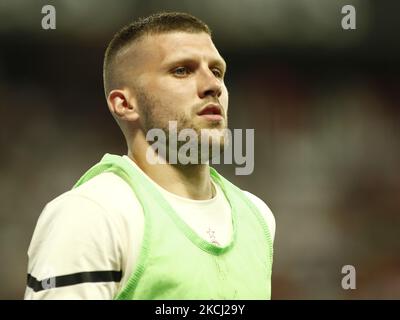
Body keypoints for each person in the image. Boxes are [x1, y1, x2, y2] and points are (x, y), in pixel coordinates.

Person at [24, 12, 275, 300]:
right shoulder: (93, 214)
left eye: (217, 71)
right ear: (125, 104)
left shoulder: (258, 217)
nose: (213, 85)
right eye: (182, 70)